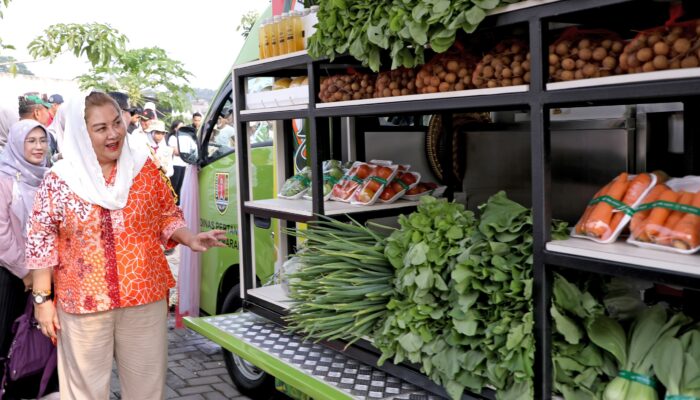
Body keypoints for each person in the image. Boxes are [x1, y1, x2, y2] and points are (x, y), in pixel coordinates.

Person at [25, 91, 226, 399]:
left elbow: (166, 215)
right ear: (81, 133)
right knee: (84, 393)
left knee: (146, 389)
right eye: (101, 128)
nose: (114, 133)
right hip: (83, 303)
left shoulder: (143, 168)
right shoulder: (61, 180)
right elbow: (40, 239)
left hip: (144, 296)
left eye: (116, 122)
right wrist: (42, 301)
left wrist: (189, 237)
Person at [0, 120, 56, 399]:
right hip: (11, 277)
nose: (38, 147)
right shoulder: (4, 178)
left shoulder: (49, 177)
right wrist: (25, 270)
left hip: (44, 274)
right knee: (8, 336)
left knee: (38, 338)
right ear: (17, 144)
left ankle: (35, 387)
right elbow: (1, 232)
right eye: (30, 141)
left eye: (42, 140)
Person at [167, 120, 186, 201]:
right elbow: (176, 152)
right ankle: (171, 203)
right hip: (176, 165)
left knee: (180, 187)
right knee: (174, 186)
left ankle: (177, 205)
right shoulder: (172, 138)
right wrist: (185, 151)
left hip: (183, 164)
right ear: (175, 128)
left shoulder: (184, 138)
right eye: (180, 127)